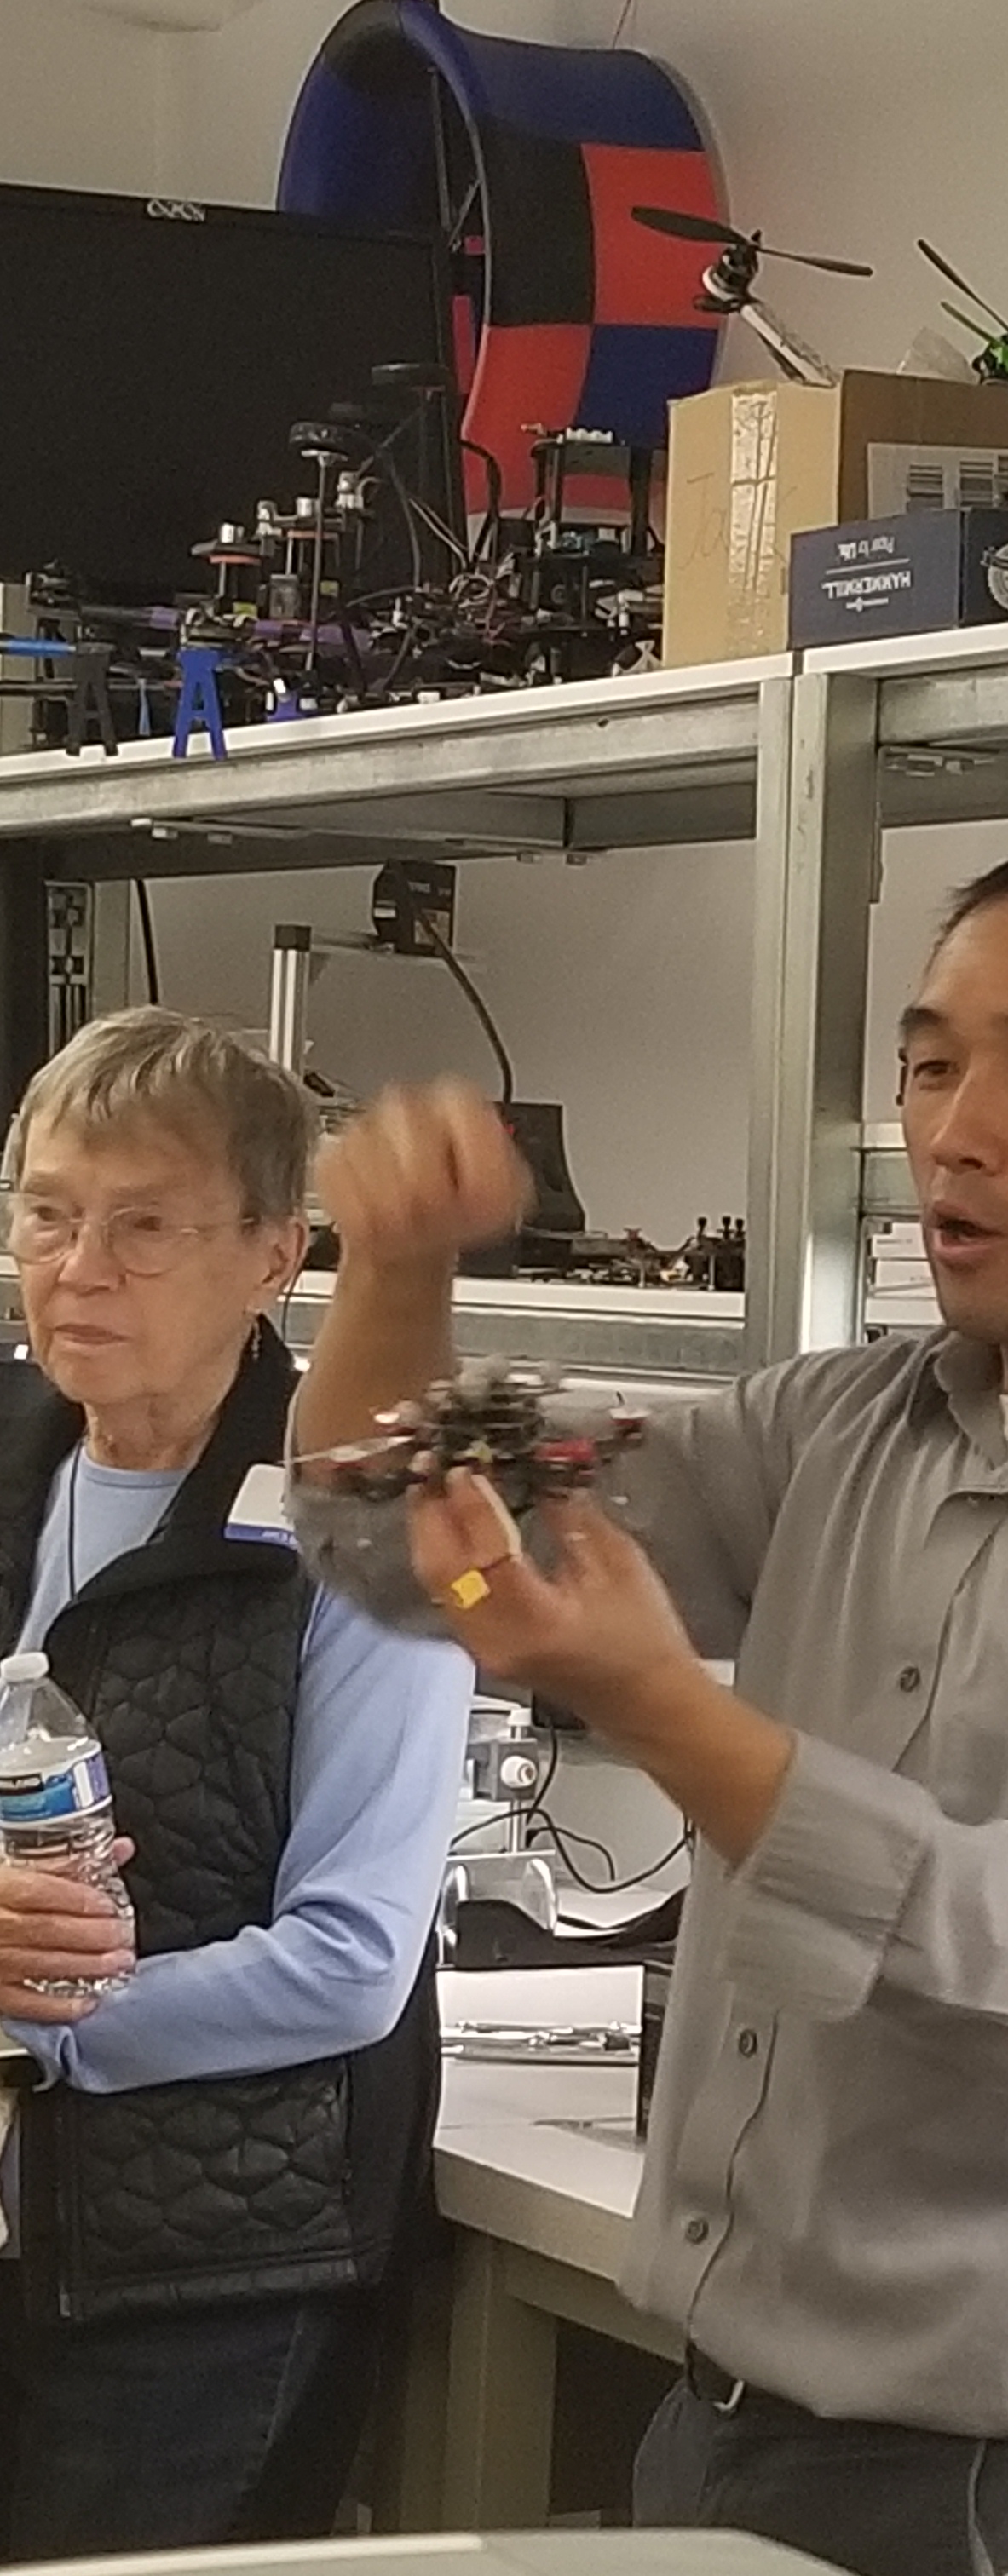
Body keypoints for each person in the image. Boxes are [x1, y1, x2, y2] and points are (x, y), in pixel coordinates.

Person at [291, 843, 1008, 2576]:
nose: (955, 1131)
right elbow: (393, 1541)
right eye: (929, 1064)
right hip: (721, 2422)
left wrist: (657, 1706)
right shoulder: (837, 1429)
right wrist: (392, 1269)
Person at [0, 1009, 470, 2559]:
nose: (79, 1269)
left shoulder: (363, 1528)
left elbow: (350, 1961)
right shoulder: (10, 1456)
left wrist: (34, 2034)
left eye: (145, 1228)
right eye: (48, 1214)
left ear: (277, 1256)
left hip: (196, 2290)